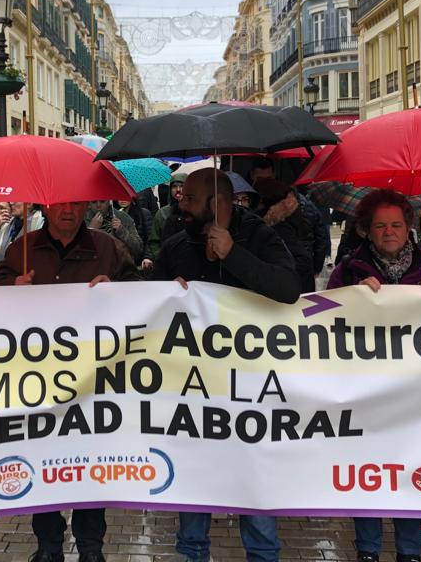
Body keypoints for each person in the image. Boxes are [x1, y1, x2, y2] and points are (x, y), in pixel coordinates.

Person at [151, 169, 300, 562]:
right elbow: (146, 305)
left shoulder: (261, 236)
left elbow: (288, 289)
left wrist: (234, 254)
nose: (181, 204)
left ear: (217, 203)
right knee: (193, 485)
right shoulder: (178, 243)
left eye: (190, 198)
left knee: (254, 486)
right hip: (193, 391)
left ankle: (263, 555)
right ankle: (192, 553)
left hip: (250, 390)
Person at [0, 200, 137, 562]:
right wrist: (12, 284)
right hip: (39, 382)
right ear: (47, 207)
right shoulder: (22, 247)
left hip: (93, 383)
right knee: (43, 463)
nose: (68, 210)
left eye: (75, 203)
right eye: (60, 204)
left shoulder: (106, 246)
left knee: (90, 467)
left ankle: (91, 548)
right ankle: (48, 546)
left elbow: (140, 287)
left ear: (86, 206)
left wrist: (114, 285)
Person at [328, 189, 421, 562]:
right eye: (380, 226)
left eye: (396, 224)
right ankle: (368, 549)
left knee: (411, 468)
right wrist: (351, 296)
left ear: (408, 227)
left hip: (417, 392)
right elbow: (323, 316)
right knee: (369, 470)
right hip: (367, 392)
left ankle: (410, 550)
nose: (389, 232)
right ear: (366, 230)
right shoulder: (348, 269)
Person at [253, 177, 315, 293]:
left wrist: (275, 270)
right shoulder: (293, 213)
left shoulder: (278, 226)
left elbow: (303, 260)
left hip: (292, 290)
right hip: (301, 287)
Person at [0, 202, 44, 275]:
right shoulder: (7, 223)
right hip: (2, 278)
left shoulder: (41, 224)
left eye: (16, 200)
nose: (11, 203)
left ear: (29, 204)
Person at [142, 172, 187, 270]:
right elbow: (153, 241)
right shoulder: (162, 213)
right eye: (174, 186)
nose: (178, 190)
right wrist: (161, 257)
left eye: (182, 186)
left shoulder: (194, 211)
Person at [118, 196, 153, 264]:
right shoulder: (116, 214)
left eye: (126, 196)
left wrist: (147, 257)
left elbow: (150, 239)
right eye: (120, 196)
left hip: (140, 259)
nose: (123, 199)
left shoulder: (143, 213)